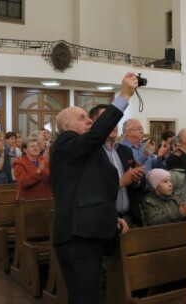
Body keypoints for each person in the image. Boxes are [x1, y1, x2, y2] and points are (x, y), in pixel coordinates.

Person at [49, 73, 136, 303]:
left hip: (91, 232)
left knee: (89, 296)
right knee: (85, 298)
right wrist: (124, 96)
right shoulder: (65, 143)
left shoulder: (87, 152)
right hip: (77, 237)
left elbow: (95, 190)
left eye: (89, 116)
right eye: (82, 117)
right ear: (66, 126)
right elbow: (96, 134)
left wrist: (111, 218)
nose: (89, 120)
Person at [89, 104, 145, 227]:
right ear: (94, 124)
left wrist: (137, 177)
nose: (113, 124)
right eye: (108, 120)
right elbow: (91, 188)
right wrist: (120, 182)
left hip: (129, 216)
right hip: (103, 218)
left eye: (115, 120)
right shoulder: (91, 152)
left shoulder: (125, 150)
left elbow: (137, 186)